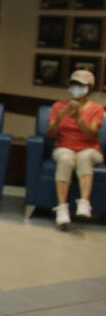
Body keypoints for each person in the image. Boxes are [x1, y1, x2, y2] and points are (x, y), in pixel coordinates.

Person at [47, 69, 104, 229]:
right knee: (65, 159)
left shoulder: (97, 108)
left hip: (90, 149)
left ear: (89, 88)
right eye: (73, 85)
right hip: (64, 147)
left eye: (80, 85)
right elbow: (50, 134)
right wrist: (59, 118)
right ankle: (62, 208)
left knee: (84, 157)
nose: (76, 88)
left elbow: (91, 133)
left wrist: (77, 117)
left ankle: (84, 203)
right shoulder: (59, 106)